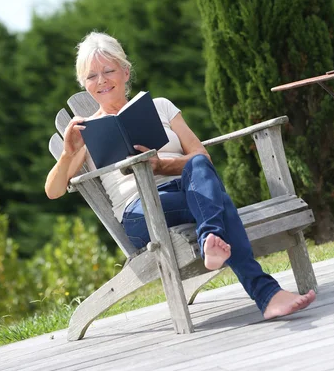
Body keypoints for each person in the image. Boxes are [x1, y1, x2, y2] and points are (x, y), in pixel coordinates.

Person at [45, 31, 316, 319]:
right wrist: (67, 153)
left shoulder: (161, 107)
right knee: (218, 202)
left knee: (198, 165)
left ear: (125, 72)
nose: (101, 81)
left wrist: (161, 166)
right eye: (91, 76)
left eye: (108, 71)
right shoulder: (85, 132)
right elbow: (53, 190)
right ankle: (257, 283)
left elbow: (202, 158)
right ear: (83, 84)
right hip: (141, 212)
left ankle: (218, 243)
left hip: (187, 191)